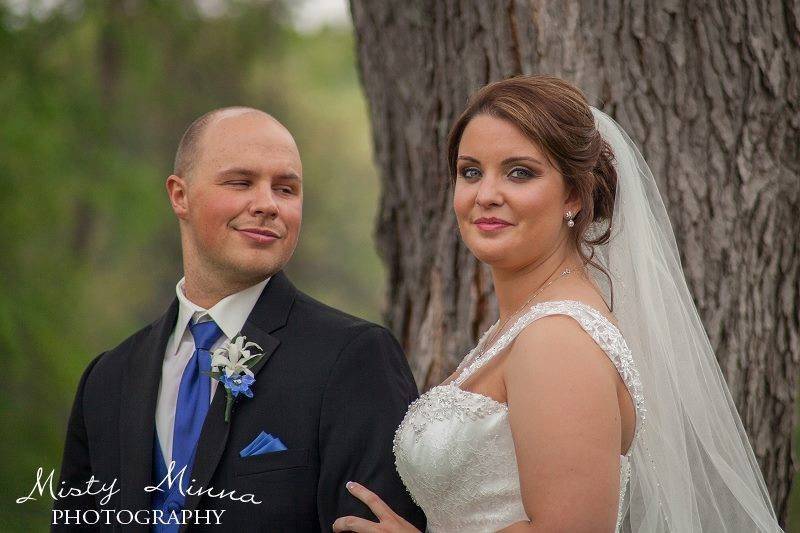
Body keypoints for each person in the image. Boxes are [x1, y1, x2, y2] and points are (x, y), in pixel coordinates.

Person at [333, 76, 784, 532]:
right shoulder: (527, 325)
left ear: (573, 193)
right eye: (471, 171)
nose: (486, 194)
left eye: (519, 172)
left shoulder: (557, 341)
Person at [53, 107, 426, 532]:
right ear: (180, 195)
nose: (267, 205)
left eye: (286, 189)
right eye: (240, 182)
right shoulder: (108, 379)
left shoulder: (355, 359)